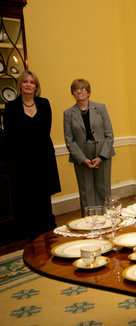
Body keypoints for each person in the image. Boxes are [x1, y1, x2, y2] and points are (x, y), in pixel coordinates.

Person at [4, 70, 61, 239]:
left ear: (36, 86)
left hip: (44, 158)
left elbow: (46, 130)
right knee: (28, 198)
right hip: (23, 160)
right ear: (20, 85)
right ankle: (32, 236)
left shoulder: (44, 103)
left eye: (32, 82)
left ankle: (47, 232)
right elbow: (10, 136)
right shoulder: (11, 106)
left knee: (44, 198)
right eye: (25, 82)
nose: (29, 85)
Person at [63, 79, 115, 215]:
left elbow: (109, 135)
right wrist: (83, 159)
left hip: (102, 154)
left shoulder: (101, 108)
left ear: (88, 92)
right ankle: (89, 223)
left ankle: (106, 221)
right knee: (86, 191)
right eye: (76, 90)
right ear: (72, 94)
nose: (80, 92)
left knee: (103, 189)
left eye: (83, 89)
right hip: (81, 156)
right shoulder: (68, 114)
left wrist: (102, 156)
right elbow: (69, 140)